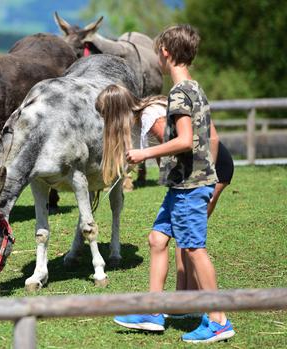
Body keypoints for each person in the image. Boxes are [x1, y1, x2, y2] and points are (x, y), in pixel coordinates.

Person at [107, 24, 235, 343]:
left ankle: (218, 320)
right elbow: (213, 137)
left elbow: (186, 140)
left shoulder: (178, 93)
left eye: (157, 55)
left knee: (193, 249)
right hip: (185, 184)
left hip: (189, 187)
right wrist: (209, 174)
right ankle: (154, 310)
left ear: (165, 52)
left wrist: (143, 153)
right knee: (157, 239)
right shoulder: (195, 87)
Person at [96, 83, 235, 310]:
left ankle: (195, 304)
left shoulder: (151, 116)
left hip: (206, 172)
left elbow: (178, 145)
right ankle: (179, 302)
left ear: (114, 113)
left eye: (105, 116)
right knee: (163, 239)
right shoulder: (148, 111)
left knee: (189, 241)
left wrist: (144, 154)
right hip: (191, 175)